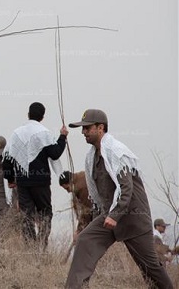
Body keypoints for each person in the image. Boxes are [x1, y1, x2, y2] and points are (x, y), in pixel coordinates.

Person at [65, 109, 173, 289]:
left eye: (87, 128)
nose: (83, 132)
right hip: (110, 215)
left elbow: (126, 188)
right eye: (82, 129)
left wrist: (114, 216)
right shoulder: (92, 156)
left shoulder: (116, 152)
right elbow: (99, 195)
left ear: (101, 128)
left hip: (133, 218)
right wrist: (102, 216)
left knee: (150, 268)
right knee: (85, 240)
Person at [3, 102, 68, 250]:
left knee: (26, 215)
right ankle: (41, 244)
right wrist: (62, 137)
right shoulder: (44, 133)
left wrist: (11, 179)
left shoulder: (17, 134)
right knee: (45, 213)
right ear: (42, 117)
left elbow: (7, 159)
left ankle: (30, 247)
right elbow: (55, 153)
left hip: (23, 183)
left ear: (28, 114)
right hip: (41, 182)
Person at [59, 171, 93, 243]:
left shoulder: (81, 189)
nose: (68, 192)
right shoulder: (81, 175)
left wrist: (79, 231)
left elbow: (87, 212)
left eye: (67, 188)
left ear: (71, 182)